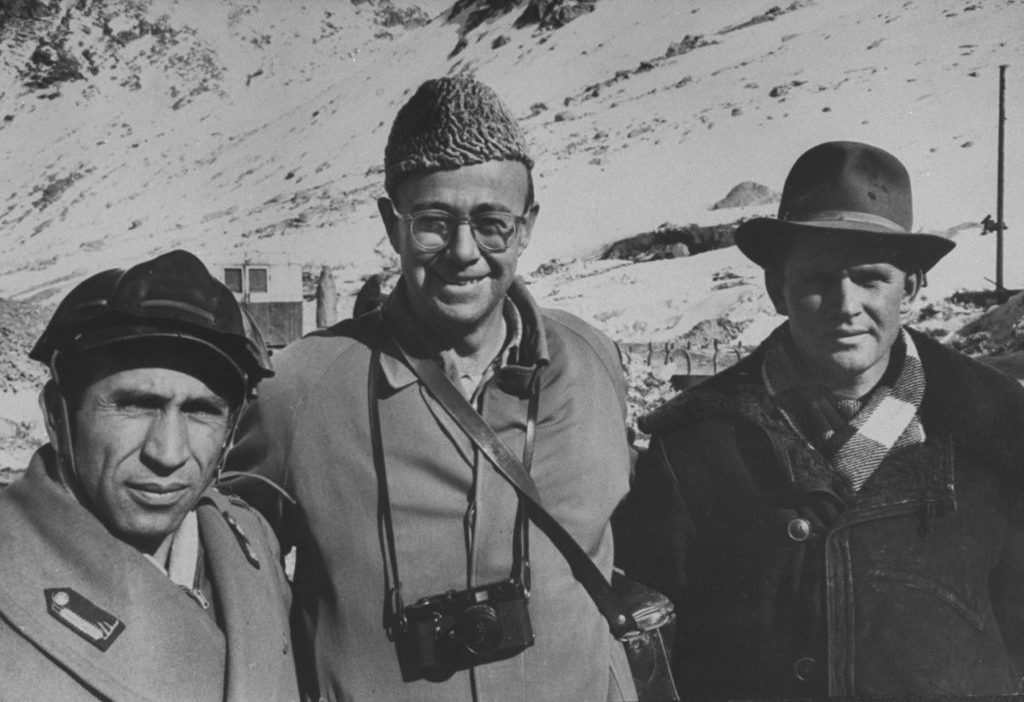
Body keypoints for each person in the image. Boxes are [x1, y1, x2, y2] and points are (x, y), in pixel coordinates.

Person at [226, 76, 636, 700]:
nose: (463, 251)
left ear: (526, 228)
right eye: (433, 222)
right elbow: (228, 578)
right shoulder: (301, 390)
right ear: (393, 225)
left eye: (492, 222)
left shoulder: (593, 364)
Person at [615, 141, 1024, 697]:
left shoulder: (997, 431)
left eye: (870, 278)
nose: (845, 303)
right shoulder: (692, 449)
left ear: (912, 287)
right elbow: (660, 656)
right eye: (817, 279)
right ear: (777, 290)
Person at [0, 250, 299, 700]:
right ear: (58, 416)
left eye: (201, 412)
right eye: (135, 405)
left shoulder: (249, 544)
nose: (168, 453)